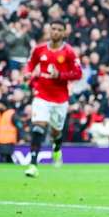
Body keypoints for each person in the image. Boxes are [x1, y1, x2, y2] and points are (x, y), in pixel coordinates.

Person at [24, 19, 82, 177]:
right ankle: (33, 165)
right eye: (53, 28)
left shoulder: (69, 52)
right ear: (49, 31)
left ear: (64, 33)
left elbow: (78, 73)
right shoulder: (39, 49)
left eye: (58, 29)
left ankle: (56, 148)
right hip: (41, 95)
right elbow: (30, 64)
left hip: (60, 99)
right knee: (38, 127)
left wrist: (60, 75)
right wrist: (27, 73)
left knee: (56, 132)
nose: (55, 32)